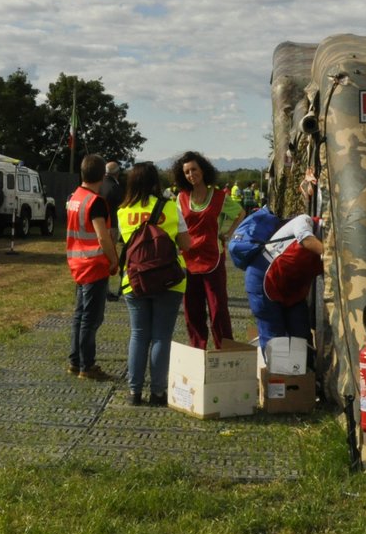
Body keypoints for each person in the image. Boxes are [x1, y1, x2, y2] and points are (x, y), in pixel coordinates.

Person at [117, 161, 190, 406]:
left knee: (138, 335)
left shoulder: (123, 211)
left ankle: (134, 392)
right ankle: (158, 392)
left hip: (134, 280)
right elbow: (187, 244)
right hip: (168, 280)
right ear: (155, 182)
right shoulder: (170, 207)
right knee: (161, 336)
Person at [171, 151, 242, 349]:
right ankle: (197, 350)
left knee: (218, 309)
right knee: (192, 311)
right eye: (186, 172)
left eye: (194, 169)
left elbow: (240, 213)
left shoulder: (220, 197)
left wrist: (227, 233)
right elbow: (178, 224)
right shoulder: (182, 198)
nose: (191, 174)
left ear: (203, 170)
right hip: (189, 261)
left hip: (213, 260)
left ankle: (225, 349)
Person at [244, 174, 325, 343]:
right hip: (264, 279)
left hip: (292, 289)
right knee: (275, 336)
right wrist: (328, 254)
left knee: (301, 335)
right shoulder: (305, 221)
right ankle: (274, 370)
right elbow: (305, 239)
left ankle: (306, 369)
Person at [64, 153, 118, 381]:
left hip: (77, 263)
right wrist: (114, 258)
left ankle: (75, 362)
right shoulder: (96, 202)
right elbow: (103, 237)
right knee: (91, 319)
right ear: (102, 176)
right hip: (94, 265)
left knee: (79, 316)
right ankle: (87, 365)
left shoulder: (75, 196)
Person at [100, 161, 125, 301]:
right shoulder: (115, 188)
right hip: (112, 225)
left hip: (97, 224)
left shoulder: (98, 185)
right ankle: (106, 289)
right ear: (117, 173)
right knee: (109, 257)